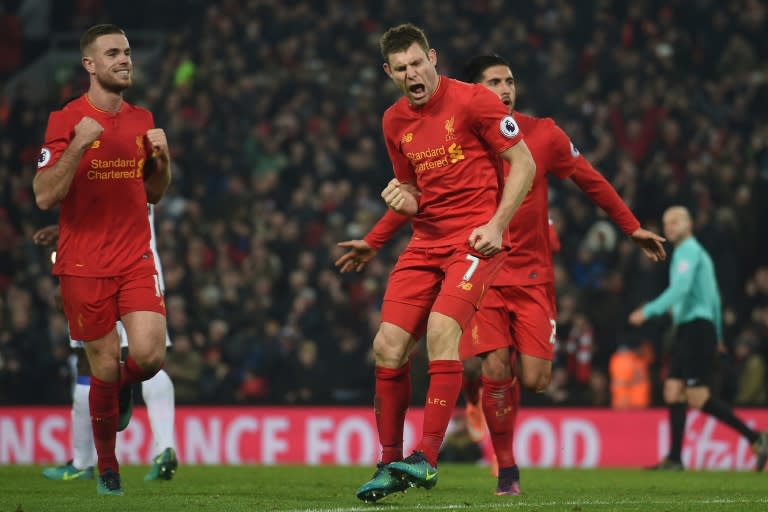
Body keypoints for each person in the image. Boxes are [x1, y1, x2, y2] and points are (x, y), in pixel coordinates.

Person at [337, 54, 666, 497]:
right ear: (475, 91)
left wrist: (631, 227)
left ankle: (471, 394)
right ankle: (505, 467)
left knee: (534, 379)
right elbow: (423, 197)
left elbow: (590, 179)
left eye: (510, 80)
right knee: (490, 362)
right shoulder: (459, 128)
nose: (506, 89)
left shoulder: (542, 134)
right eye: (494, 82)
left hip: (530, 274)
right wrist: (374, 240)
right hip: (476, 263)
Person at [351, 25, 536, 503]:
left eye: (418, 62)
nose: (412, 74)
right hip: (425, 243)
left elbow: (525, 164)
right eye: (401, 68)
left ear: (432, 57)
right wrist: (401, 201)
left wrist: (497, 225)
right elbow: (411, 190)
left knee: (440, 332)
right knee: (387, 345)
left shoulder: (474, 100)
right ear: (388, 73)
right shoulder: (393, 121)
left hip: (475, 240)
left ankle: (426, 457)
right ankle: (390, 460)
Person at [32, 23, 172, 495]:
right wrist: (77, 144)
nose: (125, 59)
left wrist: (165, 162)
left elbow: (152, 191)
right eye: (113, 53)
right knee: (104, 368)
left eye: (128, 52)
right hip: (82, 266)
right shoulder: (65, 119)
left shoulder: (141, 118)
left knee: (150, 356)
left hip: (134, 258)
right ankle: (107, 470)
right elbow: (44, 195)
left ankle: (124, 390)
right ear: (89, 64)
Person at [34, 209, 178, 483]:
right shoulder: (141, 167)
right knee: (141, 357)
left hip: (102, 270)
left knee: (95, 359)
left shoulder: (102, 169)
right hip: (144, 266)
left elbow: (105, 216)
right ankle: (164, 448)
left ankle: (84, 462)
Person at [629, 206, 768, 471]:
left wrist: (648, 311)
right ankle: (675, 459)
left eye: (675, 222)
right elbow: (714, 298)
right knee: (673, 390)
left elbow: (680, 289)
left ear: (689, 224)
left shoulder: (688, 252)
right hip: (692, 328)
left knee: (697, 396)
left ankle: (757, 438)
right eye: (666, 223)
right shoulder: (696, 254)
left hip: (695, 328)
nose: (669, 227)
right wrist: (717, 335)